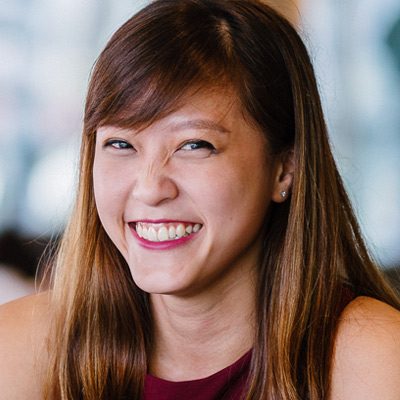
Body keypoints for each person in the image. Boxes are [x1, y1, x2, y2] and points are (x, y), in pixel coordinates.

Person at [1, 1, 400, 399]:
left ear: (284, 168)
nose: (150, 188)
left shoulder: (374, 361)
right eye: (120, 144)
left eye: (194, 145)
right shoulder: (22, 351)